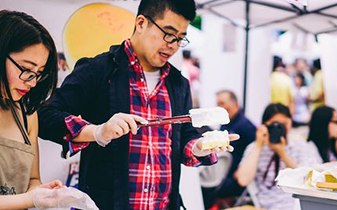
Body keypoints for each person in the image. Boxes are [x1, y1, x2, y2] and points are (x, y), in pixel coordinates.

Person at [37, 1, 238, 209]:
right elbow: (45, 115)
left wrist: (198, 147)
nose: (173, 45)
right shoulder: (99, 70)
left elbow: (184, 136)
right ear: (141, 23)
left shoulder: (179, 84)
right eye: (168, 34)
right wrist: (97, 132)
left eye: (180, 38)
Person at [0, 10, 65, 209]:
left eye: (39, 73)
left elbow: (32, 179)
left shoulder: (27, 114)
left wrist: (41, 192)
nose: (33, 82)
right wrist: (30, 199)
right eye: (26, 69)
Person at [236, 103, 319, 210]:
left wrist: (282, 153)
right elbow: (243, 180)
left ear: (290, 122)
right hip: (266, 206)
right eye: (275, 124)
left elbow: (307, 180)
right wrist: (258, 145)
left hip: (295, 204)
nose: (280, 128)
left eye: (284, 124)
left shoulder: (299, 146)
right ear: (264, 125)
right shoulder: (255, 148)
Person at [215, 90, 256, 201]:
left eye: (222, 103)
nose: (219, 107)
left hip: (235, 179)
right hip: (223, 173)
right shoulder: (226, 122)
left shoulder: (246, 126)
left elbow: (256, 151)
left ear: (235, 104)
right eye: (218, 104)